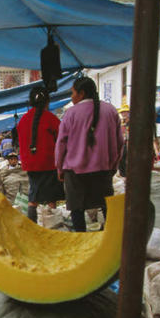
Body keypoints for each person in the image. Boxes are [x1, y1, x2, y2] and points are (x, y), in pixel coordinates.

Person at [56, 76, 123, 232]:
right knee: (107, 207)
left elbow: (61, 144)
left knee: (77, 210)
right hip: (103, 169)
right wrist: (113, 165)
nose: (72, 97)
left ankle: (82, 244)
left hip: (75, 172)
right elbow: (120, 143)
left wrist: (60, 169)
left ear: (81, 93)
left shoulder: (70, 114)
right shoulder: (111, 110)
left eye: (73, 93)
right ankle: (113, 241)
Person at [17, 87, 65, 223]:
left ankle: (31, 225)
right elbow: (62, 140)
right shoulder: (51, 118)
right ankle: (52, 224)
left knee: (34, 196)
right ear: (47, 102)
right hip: (49, 163)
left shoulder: (23, 120)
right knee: (51, 197)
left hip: (30, 164)